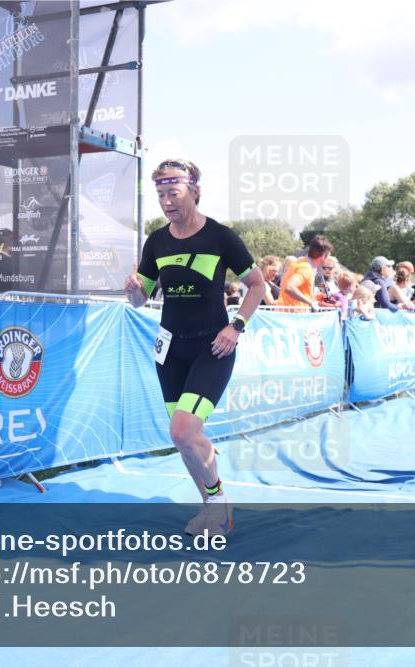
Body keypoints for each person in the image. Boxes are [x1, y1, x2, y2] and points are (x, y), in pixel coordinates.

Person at [124, 158, 265, 536]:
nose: (167, 201)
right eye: (161, 195)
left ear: (195, 192)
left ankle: (220, 503)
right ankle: (211, 511)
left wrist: (236, 327)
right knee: (183, 437)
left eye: (174, 192)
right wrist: (135, 291)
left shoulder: (221, 236)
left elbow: (258, 285)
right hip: (170, 350)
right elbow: (142, 299)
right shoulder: (156, 241)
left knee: (183, 432)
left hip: (213, 347)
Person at [279, 235, 331, 310]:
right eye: (328, 256)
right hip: (294, 315)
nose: (328, 260)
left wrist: (313, 298)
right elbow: (289, 287)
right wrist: (311, 303)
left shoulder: (301, 262)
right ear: (323, 256)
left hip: (289, 313)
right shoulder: (305, 268)